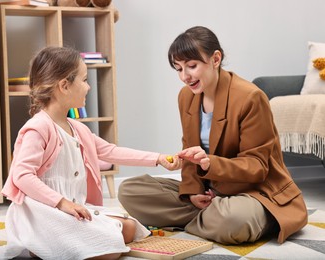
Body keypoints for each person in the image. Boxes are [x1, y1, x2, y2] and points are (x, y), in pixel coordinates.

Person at [118, 26, 308, 245]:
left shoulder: (251, 97)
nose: (184, 77)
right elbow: (190, 153)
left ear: (215, 59)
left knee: (233, 219)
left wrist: (210, 164)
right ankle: (211, 219)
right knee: (130, 190)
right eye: (178, 69)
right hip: (211, 193)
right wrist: (192, 193)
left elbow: (257, 166)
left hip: (254, 192)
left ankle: (231, 219)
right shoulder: (186, 97)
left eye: (191, 66)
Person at [0, 45, 181, 260]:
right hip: (43, 212)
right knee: (110, 250)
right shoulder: (38, 128)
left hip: (74, 209)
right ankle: (39, 245)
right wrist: (62, 203)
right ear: (64, 85)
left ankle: (54, 246)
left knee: (128, 228)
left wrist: (158, 159)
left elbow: (111, 151)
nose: (89, 87)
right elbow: (22, 176)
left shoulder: (77, 128)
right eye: (84, 80)